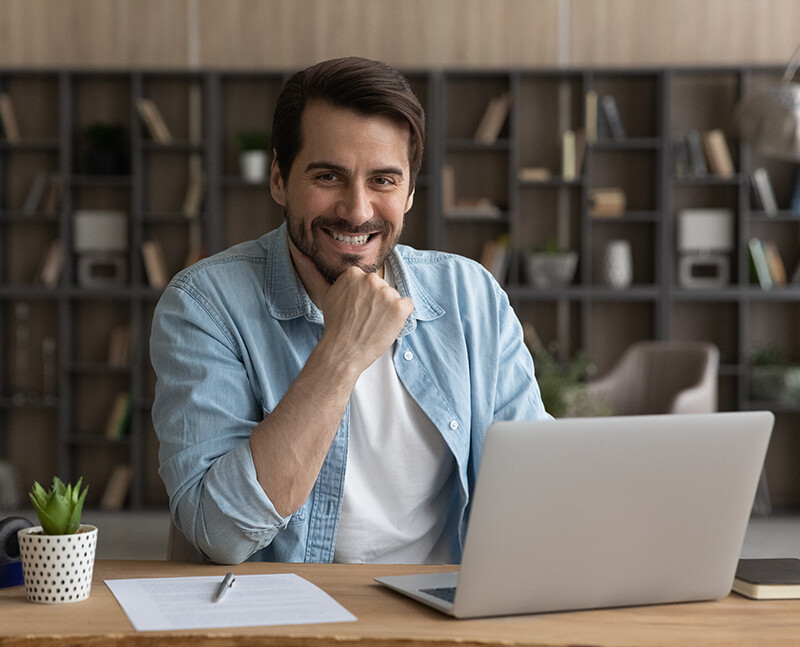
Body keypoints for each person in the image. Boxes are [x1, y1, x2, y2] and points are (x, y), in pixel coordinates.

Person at [151, 56, 550, 566]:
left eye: (383, 180)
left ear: (408, 193)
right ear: (279, 179)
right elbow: (222, 532)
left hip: (443, 617)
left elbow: (536, 487)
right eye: (328, 176)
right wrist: (343, 350)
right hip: (289, 618)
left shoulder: (471, 296)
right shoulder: (205, 305)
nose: (357, 210)